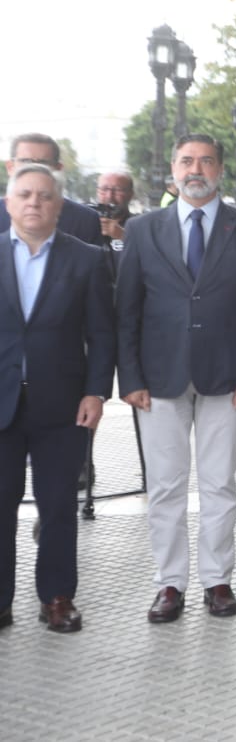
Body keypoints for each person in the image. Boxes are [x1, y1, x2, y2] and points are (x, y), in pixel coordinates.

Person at [116, 135, 236, 624]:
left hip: (226, 378)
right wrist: (130, 377)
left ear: (220, 169)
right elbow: (126, 312)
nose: (195, 169)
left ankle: (217, 580)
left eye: (205, 161)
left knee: (220, 484)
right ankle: (170, 583)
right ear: (173, 169)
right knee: (164, 487)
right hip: (157, 379)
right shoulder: (142, 229)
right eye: (187, 161)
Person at [0, 163, 114, 633]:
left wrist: (96, 393)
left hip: (64, 404)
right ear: (8, 202)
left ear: (60, 205)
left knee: (59, 506)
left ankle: (58, 597)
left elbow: (102, 333)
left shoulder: (85, 259)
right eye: (24, 194)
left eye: (44, 196)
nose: (34, 203)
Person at [0, 133, 102, 245]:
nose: (35, 168)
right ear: (10, 167)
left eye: (43, 163)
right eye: (26, 161)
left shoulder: (85, 220)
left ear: (58, 168)